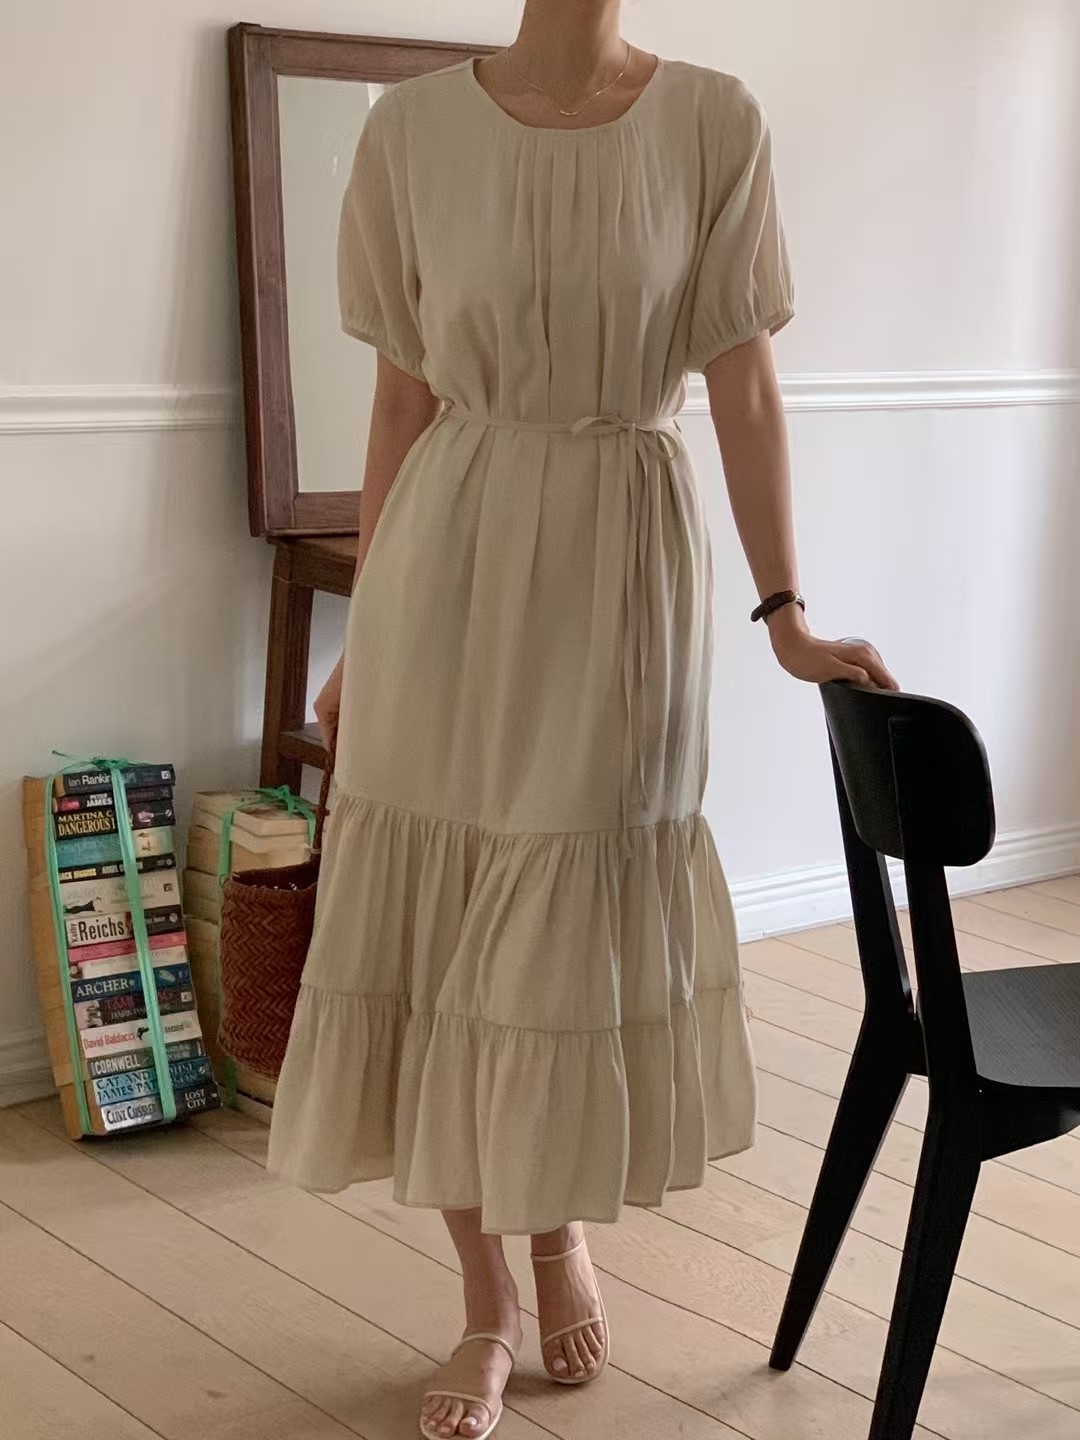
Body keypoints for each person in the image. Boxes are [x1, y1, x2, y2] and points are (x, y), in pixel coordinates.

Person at [266, 4, 899, 1437]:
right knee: (441, 925)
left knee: (563, 915)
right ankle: (486, 1293)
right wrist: (367, 638)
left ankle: (558, 1233)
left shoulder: (714, 121)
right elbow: (401, 404)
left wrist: (786, 613)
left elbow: (743, 384)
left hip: (623, 560)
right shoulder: (413, 131)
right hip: (446, 564)